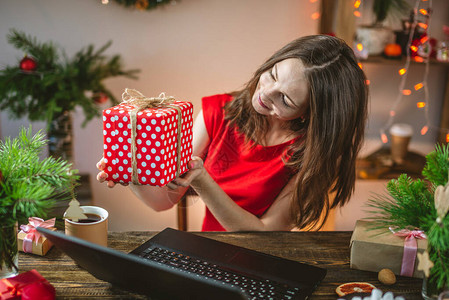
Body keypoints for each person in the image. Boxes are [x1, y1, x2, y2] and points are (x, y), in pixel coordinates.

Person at [97, 34, 368, 232]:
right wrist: (128, 172)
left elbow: (266, 234)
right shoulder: (217, 112)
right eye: (272, 74)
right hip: (209, 255)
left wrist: (203, 182)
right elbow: (162, 202)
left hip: (264, 262)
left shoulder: (313, 152)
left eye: (285, 99)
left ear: (309, 114)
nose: (264, 94)